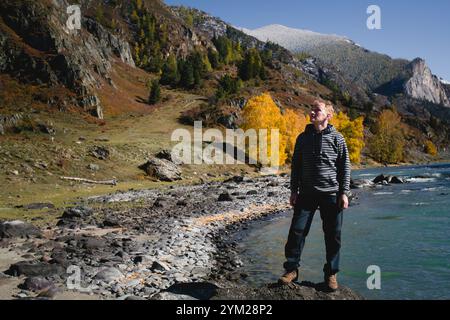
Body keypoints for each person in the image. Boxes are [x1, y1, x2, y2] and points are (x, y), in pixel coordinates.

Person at [278, 99, 351, 291]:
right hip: (306, 194)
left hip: (331, 194)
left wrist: (344, 193)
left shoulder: (338, 138)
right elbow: (296, 167)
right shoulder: (302, 138)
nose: (312, 112)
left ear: (328, 115)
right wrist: (294, 191)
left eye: (316, 110)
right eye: (311, 109)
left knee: (333, 236)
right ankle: (291, 270)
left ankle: (331, 274)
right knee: (297, 231)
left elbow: (345, 167)